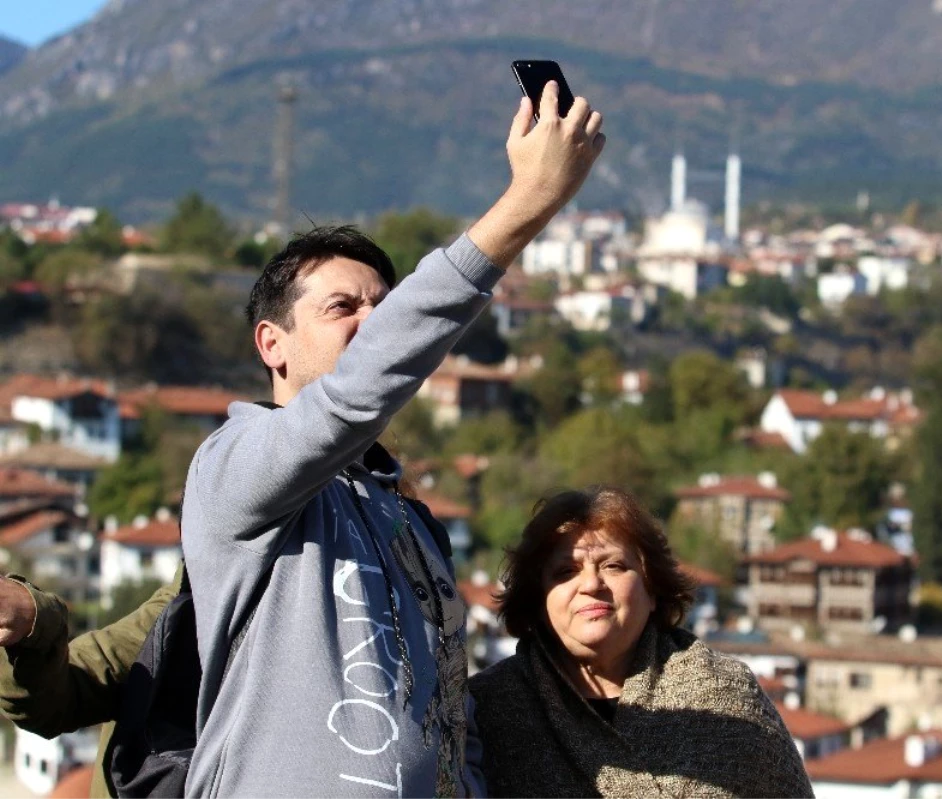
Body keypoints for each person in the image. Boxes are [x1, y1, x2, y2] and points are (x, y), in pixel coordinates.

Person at [0, 81, 604, 799]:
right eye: (343, 307)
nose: (372, 324)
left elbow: (448, 711)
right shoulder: (234, 466)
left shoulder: (413, 525)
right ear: (272, 344)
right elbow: (355, 396)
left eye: (384, 307)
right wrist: (527, 203)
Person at [468, 486, 814, 799]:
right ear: (538, 601)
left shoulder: (726, 694)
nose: (591, 583)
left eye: (614, 566)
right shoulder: (486, 709)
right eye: (566, 571)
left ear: (652, 590)